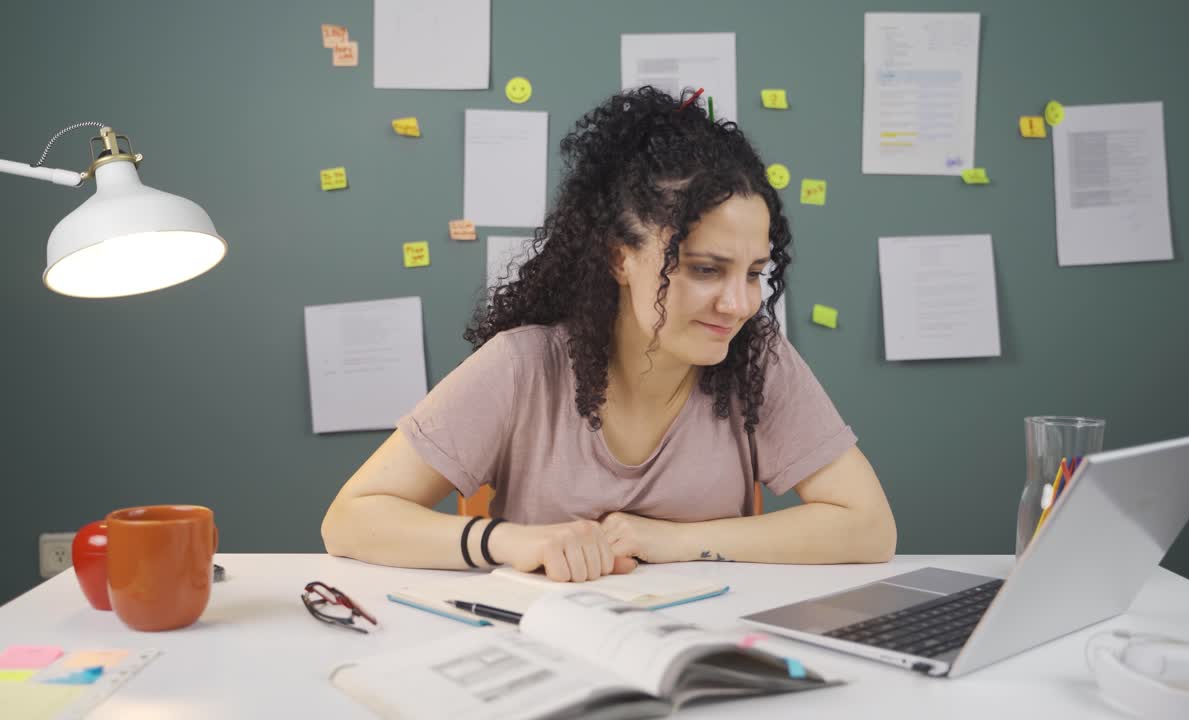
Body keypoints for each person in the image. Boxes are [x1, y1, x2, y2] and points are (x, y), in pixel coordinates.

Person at [322, 87, 896, 582]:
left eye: (754, 273)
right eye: (704, 269)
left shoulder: (758, 359)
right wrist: (514, 542)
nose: (740, 304)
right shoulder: (523, 365)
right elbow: (350, 518)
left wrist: (671, 542)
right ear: (620, 259)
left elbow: (870, 527)